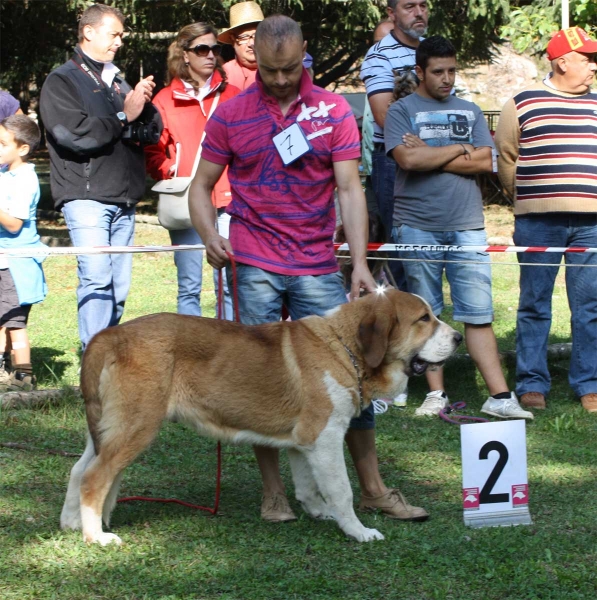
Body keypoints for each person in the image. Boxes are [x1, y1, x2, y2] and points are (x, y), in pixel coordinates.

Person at [189, 15, 429, 524]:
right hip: (252, 259)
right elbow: (200, 185)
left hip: (318, 263)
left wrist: (360, 262)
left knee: (359, 372)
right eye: (270, 70)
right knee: (261, 381)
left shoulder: (332, 108)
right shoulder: (231, 113)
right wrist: (210, 234)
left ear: (304, 57)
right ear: (255, 60)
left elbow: (349, 189)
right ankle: (274, 493)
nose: (278, 80)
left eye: (289, 69)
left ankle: (372, 487)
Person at [385, 36, 533, 420]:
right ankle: (437, 395)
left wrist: (435, 153)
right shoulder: (401, 110)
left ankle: (500, 397)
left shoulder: (468, 109)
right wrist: (460, 148)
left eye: (452, 70)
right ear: (419, 71)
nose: (447, 78)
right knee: (426, 313)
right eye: (438, 71)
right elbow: (408, 160)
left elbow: (486, 163)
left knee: (478, 310)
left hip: (467, 224)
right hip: (416, 225)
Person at [40, 4, 161, 351]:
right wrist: (125, 113)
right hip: (86, 198)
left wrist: (145, 106)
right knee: (96, 279)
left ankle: (106, 360)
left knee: (118, 287)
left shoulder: (117, 80)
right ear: (89, 32)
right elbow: (73, 134)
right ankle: (92, 364)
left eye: (122, 35)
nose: (120, 42)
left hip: (124, 199)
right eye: (114, 34)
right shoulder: (62, 80)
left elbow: (146, 132)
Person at [495, 27, 597, 413]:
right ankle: (531, 383)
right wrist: (524, 200)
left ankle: (589, 383)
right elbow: (507, 157)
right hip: (538, 222)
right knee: (534, 304)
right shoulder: (521, 102)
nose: (593, 67)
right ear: (562, 61)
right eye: (587, 59)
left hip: (592, 222)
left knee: (589, 306)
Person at [146, 23, 240, 320]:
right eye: (202, 49)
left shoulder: (233, 95)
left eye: (216, 49)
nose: (210, 55)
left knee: (226, 282)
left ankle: (228, 353)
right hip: (185, 199)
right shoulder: (164, 99)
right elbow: (152, 151)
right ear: (185, 54)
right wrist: (171, 170)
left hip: (228, 199)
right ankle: (192, 355)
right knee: (189, 284)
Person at [360, 0, 429, 293]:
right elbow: (384, 115)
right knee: (404, 253)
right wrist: (431, 143)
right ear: (391, 14)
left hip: (434, 157)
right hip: (395, 160)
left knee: (432, 248)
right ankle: (407, 328)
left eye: (423, 5)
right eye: (409, 6)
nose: (418, 12)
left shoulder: (432, 49)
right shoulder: (379, 55)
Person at [0, 115, 47, 391]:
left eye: (2, 143)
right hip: (4, 261)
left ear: (23, 149)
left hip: (16, 264)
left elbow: (14, 223)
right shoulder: (5, 174)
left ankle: (24, 375)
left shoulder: (26, 179)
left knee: (14, 321)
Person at [218, 1, 264, 91]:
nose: (252, 43)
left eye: (257, 36)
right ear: (233, 40)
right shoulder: (223, 75)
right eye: (244, 37)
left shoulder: (283, 69)